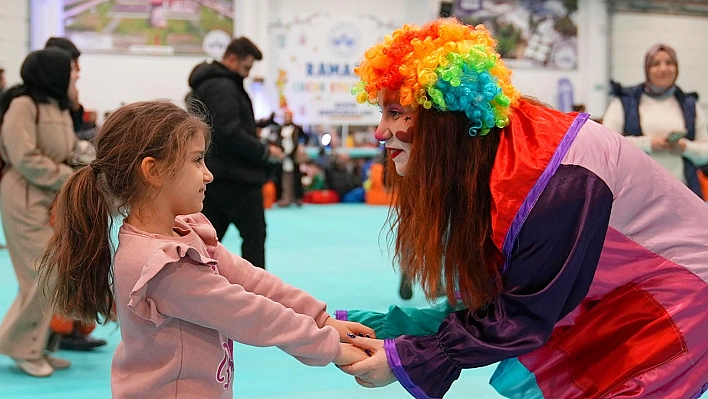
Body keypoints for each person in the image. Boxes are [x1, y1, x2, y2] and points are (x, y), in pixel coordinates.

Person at [334, 18, 708, 399]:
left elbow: (520, 313)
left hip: (681, 294)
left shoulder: (551, 180)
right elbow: (483, 303)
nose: (380, 132)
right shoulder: (491, 162)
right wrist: (375, 328)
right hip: (618, 289)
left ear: (443, 118)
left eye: (395, 113)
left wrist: (409, 361)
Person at [37, 100, 372, 398]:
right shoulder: (161, 266)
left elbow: (251, 280)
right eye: (197, 161)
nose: (208, 174)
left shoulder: (185, 230)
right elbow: (248, 314)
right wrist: (330, 347)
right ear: (153, 171)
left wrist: (321, 318)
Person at [0, 48, 79, 377]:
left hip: (51, 199)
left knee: (54, 272)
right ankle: (21, 346)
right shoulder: (23, 104)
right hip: (24, 198)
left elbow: (69, 148)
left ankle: (42, 345)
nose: (74, 73)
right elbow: (24, 156)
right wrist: (67, 175)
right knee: (41, 273)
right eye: (70, 69)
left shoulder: (57, 106)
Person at [188, 37, 284, 269]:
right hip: (237, 179)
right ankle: (257, 292)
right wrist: (264, 151)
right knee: (253, 239)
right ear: (232, 58)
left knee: (206, 240)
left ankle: (193, 287)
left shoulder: (208, 84)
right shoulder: (223, 86)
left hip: (215, 175)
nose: (248, 74)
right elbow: (228, 132)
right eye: (246, 67)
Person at [603, 43, 708, 199]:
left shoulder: (690, 104)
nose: (663, 68)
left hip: (683, 195)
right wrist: (649, 144)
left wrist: (684, 147)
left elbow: (705, 153)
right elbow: (607, 145)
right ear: (647, 69)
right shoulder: (624, 101)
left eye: (669, 63)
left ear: (677, 68)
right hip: (635, 196)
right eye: (655, 64)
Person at [266, 109, 309, 207]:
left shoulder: (296, 128)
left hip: (293, 156)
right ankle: (285, 198)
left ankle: (296, 198)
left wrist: (301, 145)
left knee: (295, 177)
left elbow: (305, 137)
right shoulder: (280, 128)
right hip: (283, 155)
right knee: (283, 177)